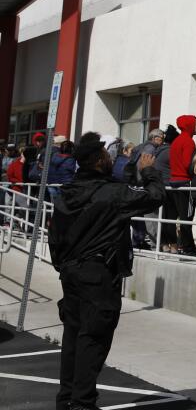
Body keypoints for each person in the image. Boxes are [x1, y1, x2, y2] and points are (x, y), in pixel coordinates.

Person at [49, 132, 165, 410]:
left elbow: (55, 236)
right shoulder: (111, 194)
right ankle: (82, 403)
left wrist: (63, 266)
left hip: (73, 272)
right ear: (98, 161)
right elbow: (155, 196)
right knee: (94, 338)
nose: (109, 157)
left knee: (75, 337)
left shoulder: (70, 191)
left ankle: (68, 399)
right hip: (97, 274)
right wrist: (149, 171)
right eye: (105, 155)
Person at [166, 115, 196, 258]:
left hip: (173, 182)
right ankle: (189, 248)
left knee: (171, 216)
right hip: (185, 183)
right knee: (187, 217)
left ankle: (174, 245)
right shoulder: (188, 141)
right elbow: (188, 164)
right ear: (190, 125)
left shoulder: (176, 141)